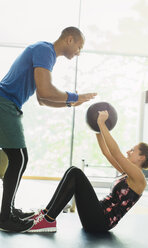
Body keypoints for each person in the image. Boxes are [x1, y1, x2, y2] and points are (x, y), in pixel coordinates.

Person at [0, 26, 97, 232]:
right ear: (69, 40)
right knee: (18, 158)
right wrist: (74, 96)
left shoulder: (45, 54)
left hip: (8, 104)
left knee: (18, 158)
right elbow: (45, 90)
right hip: (4, 103)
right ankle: (5, 217)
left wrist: (71, 103)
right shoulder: (45, 50)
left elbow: (43, 99)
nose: (79, 53)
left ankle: (8, 211)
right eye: (79, 47)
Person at [27, 110, 148, 233]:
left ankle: (48, 220)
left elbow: (116, 153)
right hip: (97, 214)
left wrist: (102, 124)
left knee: (75, 173)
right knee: (72, 170)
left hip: (100, 222)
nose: (128, 151)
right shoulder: (127, 173)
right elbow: (107, 153)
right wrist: (96, 128)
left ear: (141, 158)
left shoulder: (139, 178)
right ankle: (46, 214)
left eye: (132, 150)